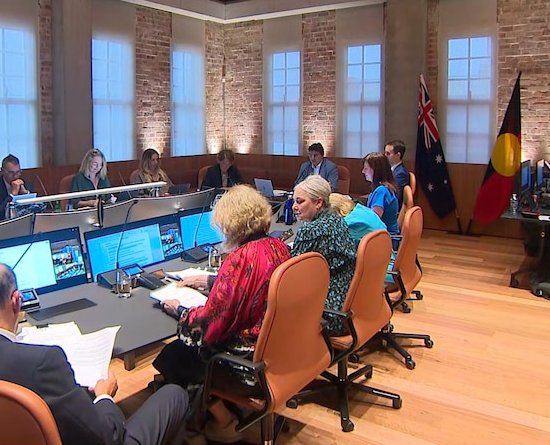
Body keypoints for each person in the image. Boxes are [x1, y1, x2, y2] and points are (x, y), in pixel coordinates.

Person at [0, 261, 189, 445]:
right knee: (174, 395)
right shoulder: (41, 363)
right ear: (17, 302)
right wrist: (103, 396)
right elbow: (107, 438)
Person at [153, 185, 289, 442]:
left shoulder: (239, 258)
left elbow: (211, 323)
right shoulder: (276, 247)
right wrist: (210, 281)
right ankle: (210, 408)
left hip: (248, 361)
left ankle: (222, 420)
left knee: (175, 355)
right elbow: (251, 285)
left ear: (231, 223)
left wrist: (179, 310)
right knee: (175, 354)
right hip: (275, 349)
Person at [290, 175, 357, 336]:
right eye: (294, 201)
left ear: (318, 202)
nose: (294, 207)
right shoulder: (338, 220)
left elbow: (289, 276)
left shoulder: (310, 231)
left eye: (300, 201)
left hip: (328, 314)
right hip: (351, 306)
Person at [362, 152, 401, 240]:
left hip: (386, 240)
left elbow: (374, 220)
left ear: (376, 170)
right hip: (386, 237)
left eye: (366, 168)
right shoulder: (384, 187)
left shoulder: (382, 191)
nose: (363, 171)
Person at [0, 154, 33, 222]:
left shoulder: (26, 184)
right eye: (11, 173)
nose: (15, 176)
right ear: (2, 171)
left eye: (18, 172)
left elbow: (34, 209)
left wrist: (26, 194)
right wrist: (12, 195)